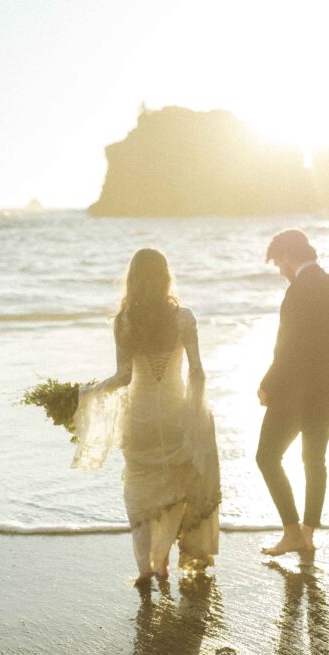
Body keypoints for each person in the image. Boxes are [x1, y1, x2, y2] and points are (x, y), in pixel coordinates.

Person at [72, 248, 221, 583]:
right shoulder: (184, 318)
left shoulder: (124, 322)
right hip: (176, 416)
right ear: (166, 276)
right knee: (177, 492)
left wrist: (86, 393)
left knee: (140, 495)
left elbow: (122, 377)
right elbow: (197, 372)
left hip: (140, 421)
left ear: (132, 279)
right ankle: (164, 560)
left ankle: (145, 568)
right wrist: (197, 413)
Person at [257, 229, 329, 557]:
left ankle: (290, 531)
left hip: (294, 393)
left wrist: (268, 384)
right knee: (315, 458)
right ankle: (307, 533)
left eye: (278, 263)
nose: (279, 271)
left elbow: (286, 348)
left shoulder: (298, 291)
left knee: (267, 457)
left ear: (286, 256)